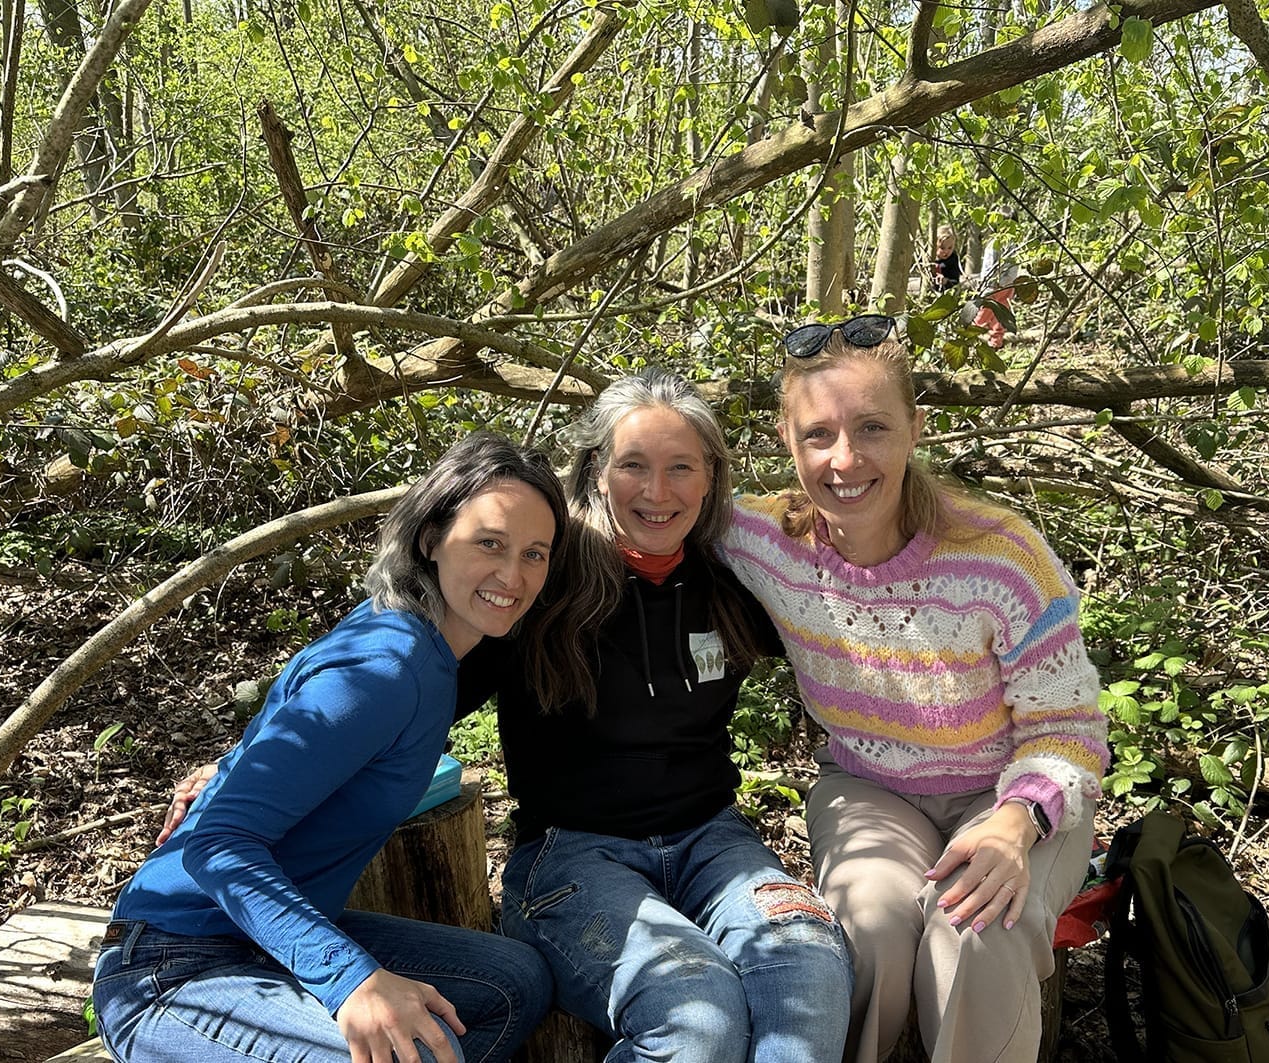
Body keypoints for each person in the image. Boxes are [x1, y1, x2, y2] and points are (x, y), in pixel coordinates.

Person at [92, 432, 567, 1063]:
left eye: (535, 553)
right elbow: (217, 841)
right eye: (489, 543)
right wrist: (355, 982)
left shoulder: (427, 644)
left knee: (511, 982)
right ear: (431, 538)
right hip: (173, 964)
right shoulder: (388, 666)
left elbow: (296, 734)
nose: (513, 575)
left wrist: (232, 767)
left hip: (262, 940)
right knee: (416, 1054)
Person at [719, 317, 1109, 1063]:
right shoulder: (761, 538)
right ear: (784, 439)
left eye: (871, 427)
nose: (844, 459)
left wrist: (1015, 821)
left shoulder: (997, 555)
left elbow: (1068, 729)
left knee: (976, 927)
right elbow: (648, 508)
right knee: (865, 931)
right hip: (871, 789)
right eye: (818, 434)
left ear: (913, 429)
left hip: (1013, 792)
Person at [463, 369, 853, 1063]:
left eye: (680, 468)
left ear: (710, 479)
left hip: (712, 842)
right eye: (633, 466)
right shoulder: (540, 579)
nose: (656, 491)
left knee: (812, 966)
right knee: (696, 1013)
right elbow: (404, 676)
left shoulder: (734, 578)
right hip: (572, 854)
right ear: (594, 471)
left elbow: (870, 614)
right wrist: (260, 760)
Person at [929, 227, 961, 292]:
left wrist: (946, 281)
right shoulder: (929, 258)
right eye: (942, 248)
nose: (946, 251)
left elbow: (955, 280)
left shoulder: (953, 259)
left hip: (948, 291)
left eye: (950, 248)